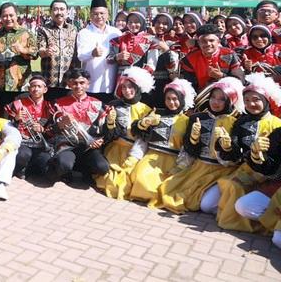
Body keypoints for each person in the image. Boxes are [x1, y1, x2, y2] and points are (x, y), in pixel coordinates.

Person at [155, 77, 243, 213]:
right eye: (213, 97)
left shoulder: (235, 123)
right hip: (198, 168)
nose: (215, 102)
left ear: (229, 101)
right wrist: (193, 139)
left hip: (221, 171)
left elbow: (236, 157)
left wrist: (228, 148)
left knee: (205, 206)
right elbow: (189, 150)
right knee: (167, 188)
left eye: (221, 99)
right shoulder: (197, 118)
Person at [209, 74, 281, 231]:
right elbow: (235, 153)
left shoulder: (277, 125)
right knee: (209, 202)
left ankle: (242, 222)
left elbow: (274, 163)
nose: (251, 104)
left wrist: (258, 156)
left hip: (266, 176)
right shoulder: (242, 121)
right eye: (247, 101)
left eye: (256, 99)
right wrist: (227, 147)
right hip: (241, 169)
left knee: (235, 187)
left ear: (266, 100)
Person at [128, 79, 195, 206]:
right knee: (140, 181)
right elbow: (139, 133)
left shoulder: (188, 121)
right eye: (168, 99)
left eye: (175, 99)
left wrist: (180, 167)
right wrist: (145, 123)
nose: (171, 102)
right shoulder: (156, 113)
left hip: (173, 161)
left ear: (182, 99)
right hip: (151, 157)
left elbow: (188, 147)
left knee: (163, 188)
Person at [94, 67, 154, 200]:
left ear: (138, 88)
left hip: (135, 152)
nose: (127, 91)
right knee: (110, 181)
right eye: (124, 87)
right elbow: (107, 134)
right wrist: (109, 124)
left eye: (131, 87)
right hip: (114, 150)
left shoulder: (146, 109)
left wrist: (134, 157)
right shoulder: (114, 105)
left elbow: (144, 138)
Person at [46, 69, 109, 184]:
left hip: (89, 147)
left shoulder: (98, 104)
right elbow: (48, 131)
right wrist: (60, 124)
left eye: (82, 83)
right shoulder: (58, 104)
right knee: (63, 165)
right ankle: (65, 171)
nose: (78, 86)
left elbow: (106, 131)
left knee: (102, 167)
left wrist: (100, 141)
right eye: (74, 83)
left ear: (88, 83)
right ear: (69, 84)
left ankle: (84, 170)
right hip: (67, 146)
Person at [0, 2, 36, 113]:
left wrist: (23, 50)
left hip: (20, 84)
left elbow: (35, 54)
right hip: (1, 85)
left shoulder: (26, 33)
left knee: (22, 118)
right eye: (5, 16)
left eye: (11, 15)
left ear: (16, 15)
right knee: (4, 120)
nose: (8, 18)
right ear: (0, 17)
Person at [7, 75, 54, 179]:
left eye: (39, 86)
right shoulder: (18, 103)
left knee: (46, 164)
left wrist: (43, 129)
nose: (36, 89)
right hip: (22, 142)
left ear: (45, 89)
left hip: (41, 144)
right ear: (29, 89)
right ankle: (20, 168)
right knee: (23, 155)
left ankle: (30, 168)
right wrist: (15, 119)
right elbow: (6, 125)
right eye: (33, 86)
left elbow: (54, 128)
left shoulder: (50, 106)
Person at [76, 0, 121, 101]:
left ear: (107, 14)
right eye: (95, 14)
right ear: (91, 15)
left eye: (102, 13)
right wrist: (92, 53)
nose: (99, 16)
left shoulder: (116, 33)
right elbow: (81, 55)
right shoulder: (84, 33)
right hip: (93, 85)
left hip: (112, 83)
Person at [179, 24, 244, 92]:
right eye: (203, 41)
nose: (208, 44)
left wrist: (221, 76)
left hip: (227, 93)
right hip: (200, 98)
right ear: (198, 42)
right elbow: (189, 86)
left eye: (211, 40)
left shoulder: (229, 54)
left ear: (218, 41)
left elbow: (240, 81)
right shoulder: (190, 59)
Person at [37, 0, 79, 100]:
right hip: (49, 81)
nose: (59, 12)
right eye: (55, 9)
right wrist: (46, 52)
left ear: (67, 12)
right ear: (51, 12)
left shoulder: (74, 30)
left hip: (69, 81)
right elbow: (40, 51)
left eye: (62, 9)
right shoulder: (43, 29)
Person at [107, 11, 159, 76]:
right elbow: (108, 60)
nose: (133, 25)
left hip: (142, 79)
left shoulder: (151, 40)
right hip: (122, 79)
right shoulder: (118, 40)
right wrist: (117, 57)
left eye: (136, 22)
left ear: (142, 22)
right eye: (130, 22)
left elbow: (152, 65)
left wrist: (139, 77)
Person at [145, 12, 179, 107]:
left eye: (165, 24)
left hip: (165, 85)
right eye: (158, 22)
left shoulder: (173, 41)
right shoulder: (145, 39)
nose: (160, 26)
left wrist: (166, 50)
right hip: (146, 84)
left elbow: (173, 67)